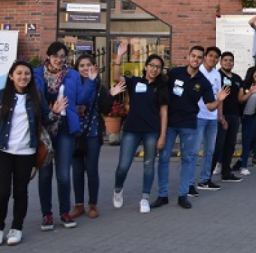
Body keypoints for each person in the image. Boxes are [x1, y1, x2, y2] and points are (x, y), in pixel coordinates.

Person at [152, 46, 227, 210]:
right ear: (188, 56)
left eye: (199, 57)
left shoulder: (203, 82)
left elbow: (210, 106)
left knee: (188, 159)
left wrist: (219, 99)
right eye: (193, 56)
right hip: (170, 124)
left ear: (202, 60)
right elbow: (158, 87)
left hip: (189, 125)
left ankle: (183, 195)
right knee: (164, 159)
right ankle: (162, 195)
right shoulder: (174, 73)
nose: (196, 59)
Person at [0, 61, 66, 246]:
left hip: (26, 151)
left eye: (27, 74)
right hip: (4, 150)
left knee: (20, 192)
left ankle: (16, 228)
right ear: (12, 75)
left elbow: (46, 119)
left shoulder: (36, 96)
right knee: (2, 192)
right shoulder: (2, 96)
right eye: (19, 73)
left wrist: (56, 113)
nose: (23, 77)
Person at [35, 42, 97, 231]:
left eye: (62, 56)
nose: (59, 60)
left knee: (63, 175)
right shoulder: (37, 73)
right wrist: (50, 110)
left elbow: (81, 99)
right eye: (55, 56)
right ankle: (46, 215)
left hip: (64, 129)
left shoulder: (73, 75)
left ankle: (64, 212)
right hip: (45, 129)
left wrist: (92, 81)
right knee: (45, 175)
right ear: (48, 55)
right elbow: (36, 97)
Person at [111, 45, 168, 214]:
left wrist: (163, 135)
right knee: (123, 165)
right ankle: (118, 189)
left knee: (149, 165)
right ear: (146, 66)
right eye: (152, 65)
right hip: (131, 130)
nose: (154, 69)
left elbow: (164, 114)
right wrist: (119, 56)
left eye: (158, 67)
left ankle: (145, 198)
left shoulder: (162, 88)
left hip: (151, 131)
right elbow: (115, 78)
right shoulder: (135, 81)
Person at [70, 54, 122, 220]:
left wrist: (111, 95)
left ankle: (93, 204)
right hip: (75, 134)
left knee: (91, 170)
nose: (85, 68)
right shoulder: (72, 86)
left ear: (94, 67)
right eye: (81, 65)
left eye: (88, 65)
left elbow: (106, 110)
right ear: (77, 69)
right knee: (77, 171)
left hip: (92, 134)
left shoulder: (100, 88)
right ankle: (79, 205)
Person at [191, 47, 227, 194]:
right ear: (205, 57)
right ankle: (188, 183)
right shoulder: (197, 72)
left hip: (212, 117)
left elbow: (220, 96)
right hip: (199, 116)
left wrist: (220, 115)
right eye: (210, 56)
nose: (213, 59)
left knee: (210, 150)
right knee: (194, 151)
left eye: (216, 57)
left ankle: (204, 180)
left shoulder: (217, 75)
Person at [210, 52, 245, 183]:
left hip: (235, 115)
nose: (228, 62)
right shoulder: (217, 76)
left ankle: (226, 172)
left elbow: (240, 99)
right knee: (218, 145)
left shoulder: (237, 78)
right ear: (220, 62)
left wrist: (251, 93)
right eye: (225, 60)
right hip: (221, 115)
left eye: (230, 60)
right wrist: (220, 115)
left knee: (230, 145)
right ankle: (207, 175)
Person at [236, 65, 256, 174]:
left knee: (247, 141)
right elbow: (240, 101)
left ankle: (244, 166)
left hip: (251, 116)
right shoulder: (244, 84)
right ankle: (220, 163)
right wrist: (251, 92)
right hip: (239, 115)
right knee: (228, 141)